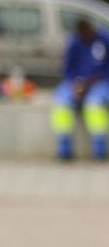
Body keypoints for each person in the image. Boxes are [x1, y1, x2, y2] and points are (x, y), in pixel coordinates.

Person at [52, 17, 109, 162]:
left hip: (101, 82)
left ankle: (100, 152)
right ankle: (65, 151)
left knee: (94, 104)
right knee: (61, 103)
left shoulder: (105, 39)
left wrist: (92, 82)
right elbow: (68, 69)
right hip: (77, 83)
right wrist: (76, 83)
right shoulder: (75, 42)